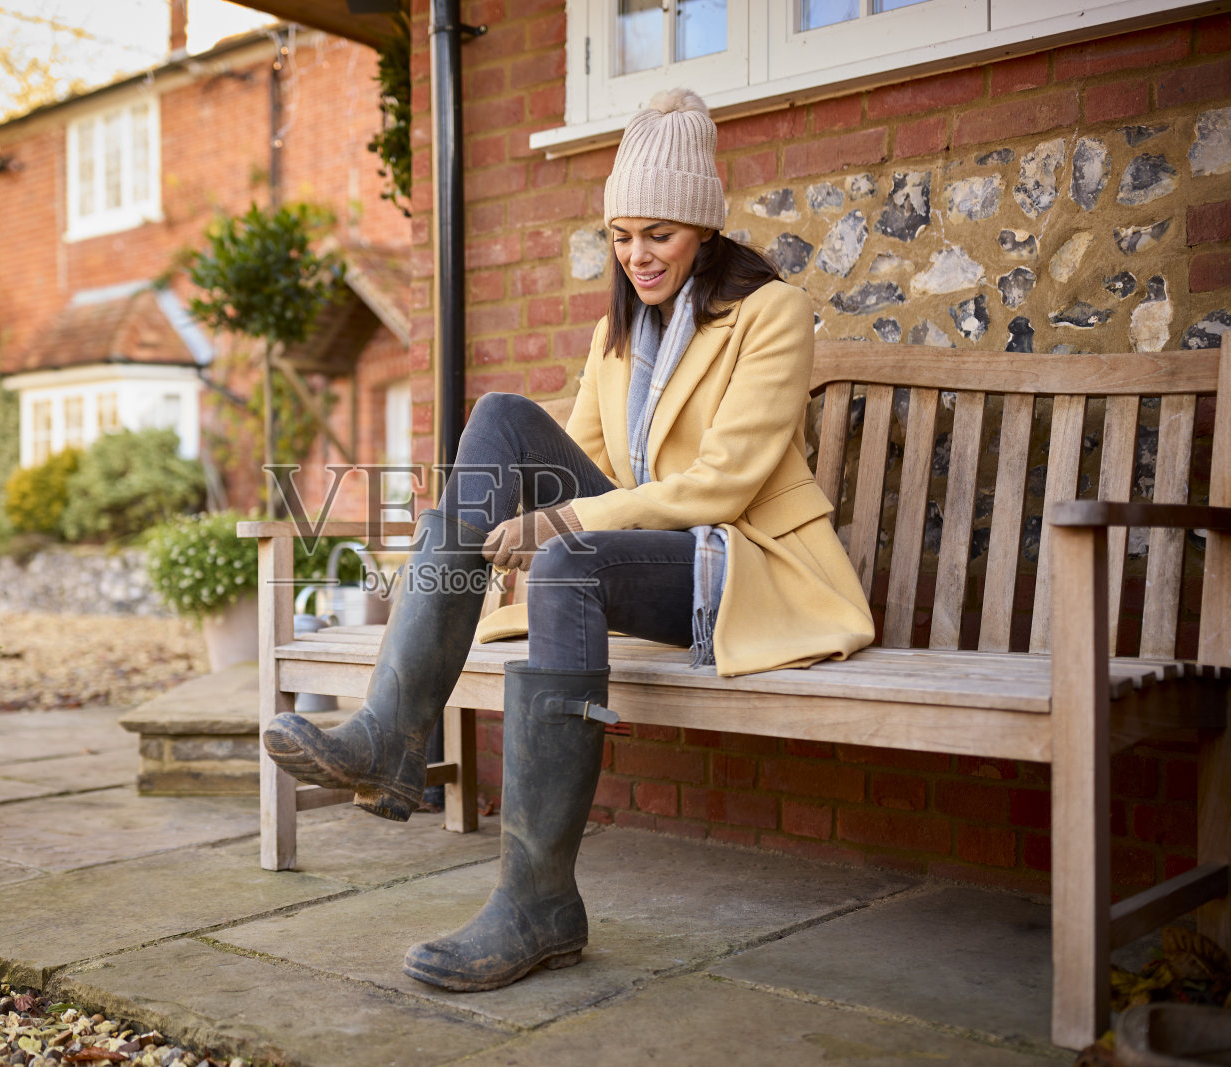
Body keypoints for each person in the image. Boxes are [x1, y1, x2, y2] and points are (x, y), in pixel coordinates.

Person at [262, 88, 875, 993]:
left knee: (569, 551)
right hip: (633, 554)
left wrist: (561, 521)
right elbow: (578, 462)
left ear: (703, 227)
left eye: (658, 234)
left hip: (735, 565)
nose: (636, 256)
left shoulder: (771, 313)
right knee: (503, 423)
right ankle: (397, 737)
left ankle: (532, 894)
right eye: (623, 235)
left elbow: (726, 484)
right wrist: (507, 526)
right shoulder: (613, 334)